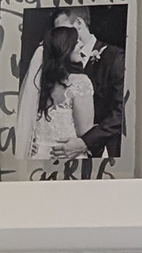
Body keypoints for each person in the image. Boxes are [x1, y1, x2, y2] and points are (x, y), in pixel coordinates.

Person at [17, 12, 97, 170]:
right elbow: (84, 133)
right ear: (65, 48)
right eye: (77, 42)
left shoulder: (38, 84)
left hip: (37, 161)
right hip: (69, 163)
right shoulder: (80, 83)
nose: (81, 45)